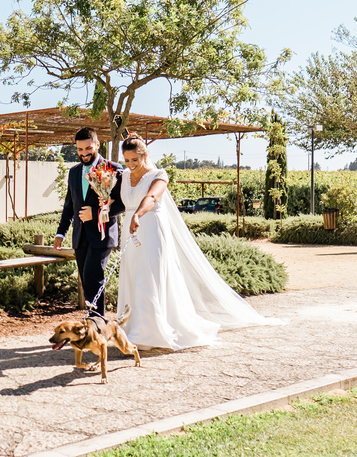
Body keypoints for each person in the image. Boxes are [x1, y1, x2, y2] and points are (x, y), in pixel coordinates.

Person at [115, 135, 276, 350]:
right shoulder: (124, 176)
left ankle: (148, 332)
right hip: (130, 231)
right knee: (132, 277)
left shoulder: (158, 175)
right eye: (127, 160)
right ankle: (130, 327)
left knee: (148, 277)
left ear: (144, 155)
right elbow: (120, 200)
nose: (131, 165)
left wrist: (138, 215)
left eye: (135, 160)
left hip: (151, 229)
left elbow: (151, 198)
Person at [54, 127, 126, 317]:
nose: (84, 153)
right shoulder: (74, 172)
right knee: (87, 281)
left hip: (102, 235)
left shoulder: (114, 169)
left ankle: (96, 323)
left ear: (97, 144)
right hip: (80, 237)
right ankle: (96, 321)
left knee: (93, 276)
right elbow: (69, 206)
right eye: (80, 149)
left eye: (88, 148)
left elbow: (124, 204)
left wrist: (95, 213)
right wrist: (60, 233)